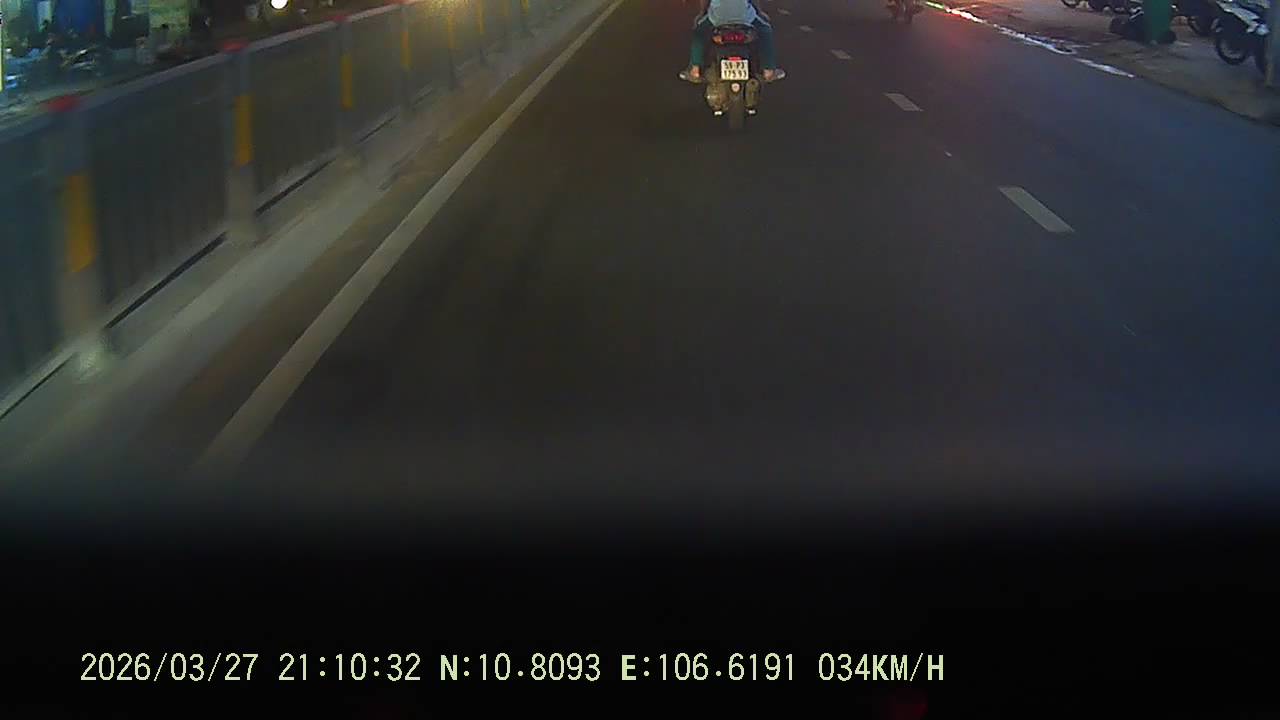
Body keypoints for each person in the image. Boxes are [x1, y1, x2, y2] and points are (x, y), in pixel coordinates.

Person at [679, 0, 785, 84]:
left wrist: (702, 13)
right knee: (765, 30)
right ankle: (768, 71)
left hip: (718, 18)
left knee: (699, 32)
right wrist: (759, 12)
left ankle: (695, 70)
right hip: (744, 18)